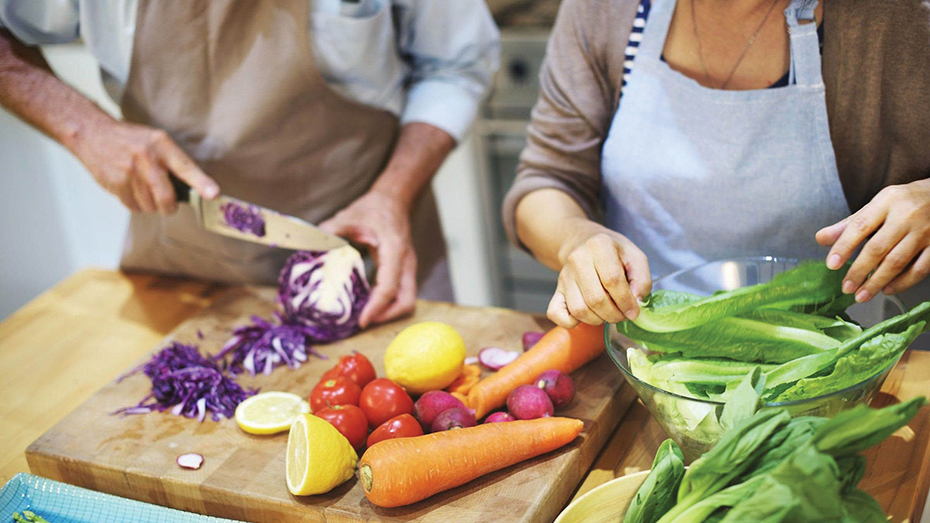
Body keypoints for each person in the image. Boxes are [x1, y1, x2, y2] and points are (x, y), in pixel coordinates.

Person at [0, 0, 500, 328]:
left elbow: (456, 64)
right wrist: (84, 128)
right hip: (183, 269)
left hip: (372, 259)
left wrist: (393, 194)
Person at [503, 0, 930, 329]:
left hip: (836, 365)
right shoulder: (605, 10)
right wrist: (575, 239)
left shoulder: (896, 19)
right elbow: (547, 180)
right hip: (646, 364)